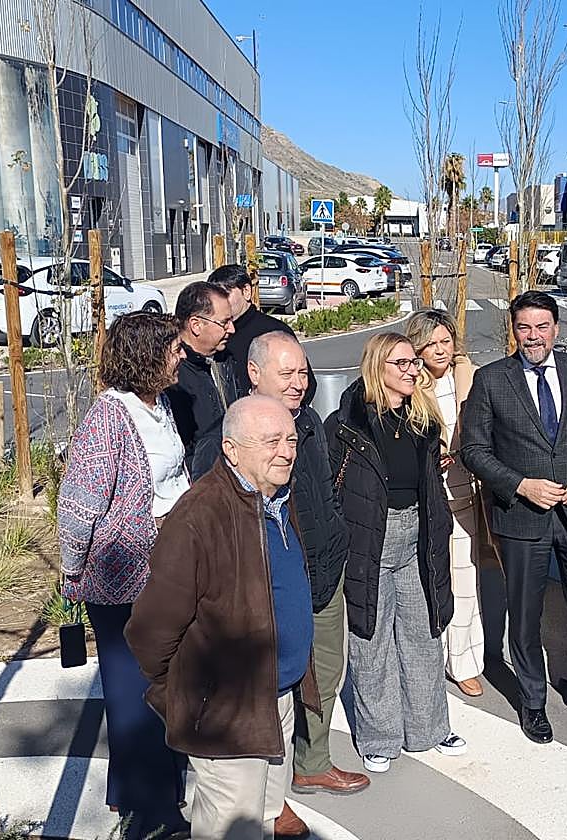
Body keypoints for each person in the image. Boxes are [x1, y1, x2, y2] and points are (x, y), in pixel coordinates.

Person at [126, 396, 318, 840]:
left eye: (290, 439)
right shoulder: (199, 516)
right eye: (271, 441)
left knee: (263, 819)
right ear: (232, 450)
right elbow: (151, 627)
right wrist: (186, 692)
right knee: (232, 827)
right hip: (228, 711)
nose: (287, 451)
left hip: (278, 695)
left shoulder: (274, 497)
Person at [461, 290, 567, 744]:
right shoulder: (493, 380)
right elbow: (473, 450)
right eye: (524, 328)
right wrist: (519, 485)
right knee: (526, 615)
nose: (533, 337)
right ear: (513, 329)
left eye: (542, 327)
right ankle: (533, 703)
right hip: (521, 517)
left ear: (556, 328)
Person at [58, 312, 188, 839]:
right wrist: (72, 574)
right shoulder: (108, 418)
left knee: (157, 683)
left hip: (166, 565)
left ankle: (132, 789)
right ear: (146, 356)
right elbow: (78, 506)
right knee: (134, 690)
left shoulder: (158, 407)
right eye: (174, 348)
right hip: (121, 576)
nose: (182, 354)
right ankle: (151, 810)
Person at [245, 332, 369, 834]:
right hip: (277, 587)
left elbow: (324, 493)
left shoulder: (311, 423)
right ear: (255, 375)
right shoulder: (240, 436)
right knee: (273, 689)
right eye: (286, 374)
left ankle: (312, 763)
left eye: (302, 373)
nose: (299, 384)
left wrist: (336, 537)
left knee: (326, 672)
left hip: (325, 571)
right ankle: (265, 797)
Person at [324, 332, 466, 774]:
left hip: (417, 532)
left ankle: (429, 728)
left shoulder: (421, 417)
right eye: (401, 363)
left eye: (413, 363)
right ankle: (380, 738)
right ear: (378, 367)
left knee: (424, 633)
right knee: (372, 638)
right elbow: (330, 487)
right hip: (370, 536)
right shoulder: (347, 423)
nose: (412, 370)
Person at [407, 309, 487, 697]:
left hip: (466, 495)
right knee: (428, 582)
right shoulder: (410, 384)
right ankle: (430, 659)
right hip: (426, 498)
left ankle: (464, 661)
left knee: (466, 581)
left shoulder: (468, 377)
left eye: (445, 341)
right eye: (431, 343)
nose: (440, 350)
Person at [207, 263, 316, 402]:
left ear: (246, 291)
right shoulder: (214, 334)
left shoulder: (275, 332)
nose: (219, 302)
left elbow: (307, 387)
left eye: (225, 294)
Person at [167, 281, 238, 477]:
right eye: (224, 322)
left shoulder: (225, 358)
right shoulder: (173, 376)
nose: (231, 329)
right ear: (196, 325)